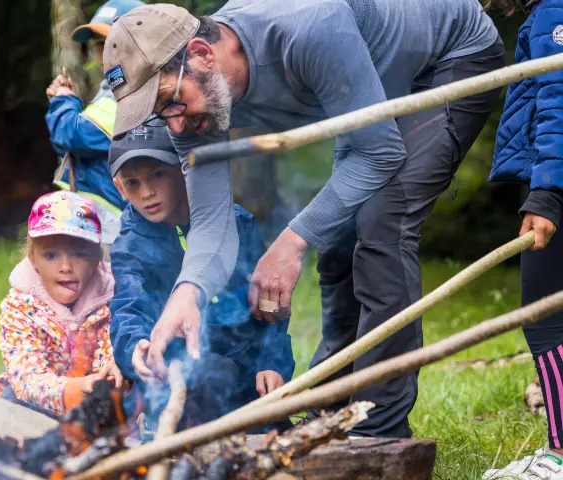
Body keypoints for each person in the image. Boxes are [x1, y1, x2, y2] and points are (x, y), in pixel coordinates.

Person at [101, 0, 505, 437]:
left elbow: (379, 151)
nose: (175, 128)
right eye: (162, 116)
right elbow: (212, 222)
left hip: (447, 58)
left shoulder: (308, 29)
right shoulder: (197, 106)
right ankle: (329, 409)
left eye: (172, 103)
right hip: (366, 81)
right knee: (338, 239)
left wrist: (292, 242)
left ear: (202, 53)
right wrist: (188, 291)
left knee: (381, 227)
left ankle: (378, 431)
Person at [107, 121, 295, 428]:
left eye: (157, 175)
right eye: (133, 183)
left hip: (251, 381)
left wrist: (272, 363)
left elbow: (271, 305)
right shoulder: (131, 249)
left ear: (183, 170)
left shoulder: (237, 226)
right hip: (183, 382)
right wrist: (135, 348)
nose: (148, 192)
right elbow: (129, 309)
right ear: (120, 188)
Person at [481, 1, 563, 478]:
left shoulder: (555, 9)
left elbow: (559, 99)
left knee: (545, 319)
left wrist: (548, 193)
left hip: (555, 183)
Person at [0, 190, 123, 419]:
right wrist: (73, 390)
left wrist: (108, 379)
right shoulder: (19, 307)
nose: (65, 267)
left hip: (94, 406)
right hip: (37, 404)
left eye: (79, 254)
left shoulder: (110, 300)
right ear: (33, 260)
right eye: (51, 256)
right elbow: (27, 377)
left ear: (96, 259)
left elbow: (110, 360)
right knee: (11, 398)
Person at [45, 0, 144, 251]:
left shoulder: (133, 94)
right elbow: (76, 149)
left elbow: (71, 136)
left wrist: (63, 102)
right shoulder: (114, 87)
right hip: (100, 222)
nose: (103, 55)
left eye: (113, 44)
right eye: (99, 45)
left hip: (116, 228)